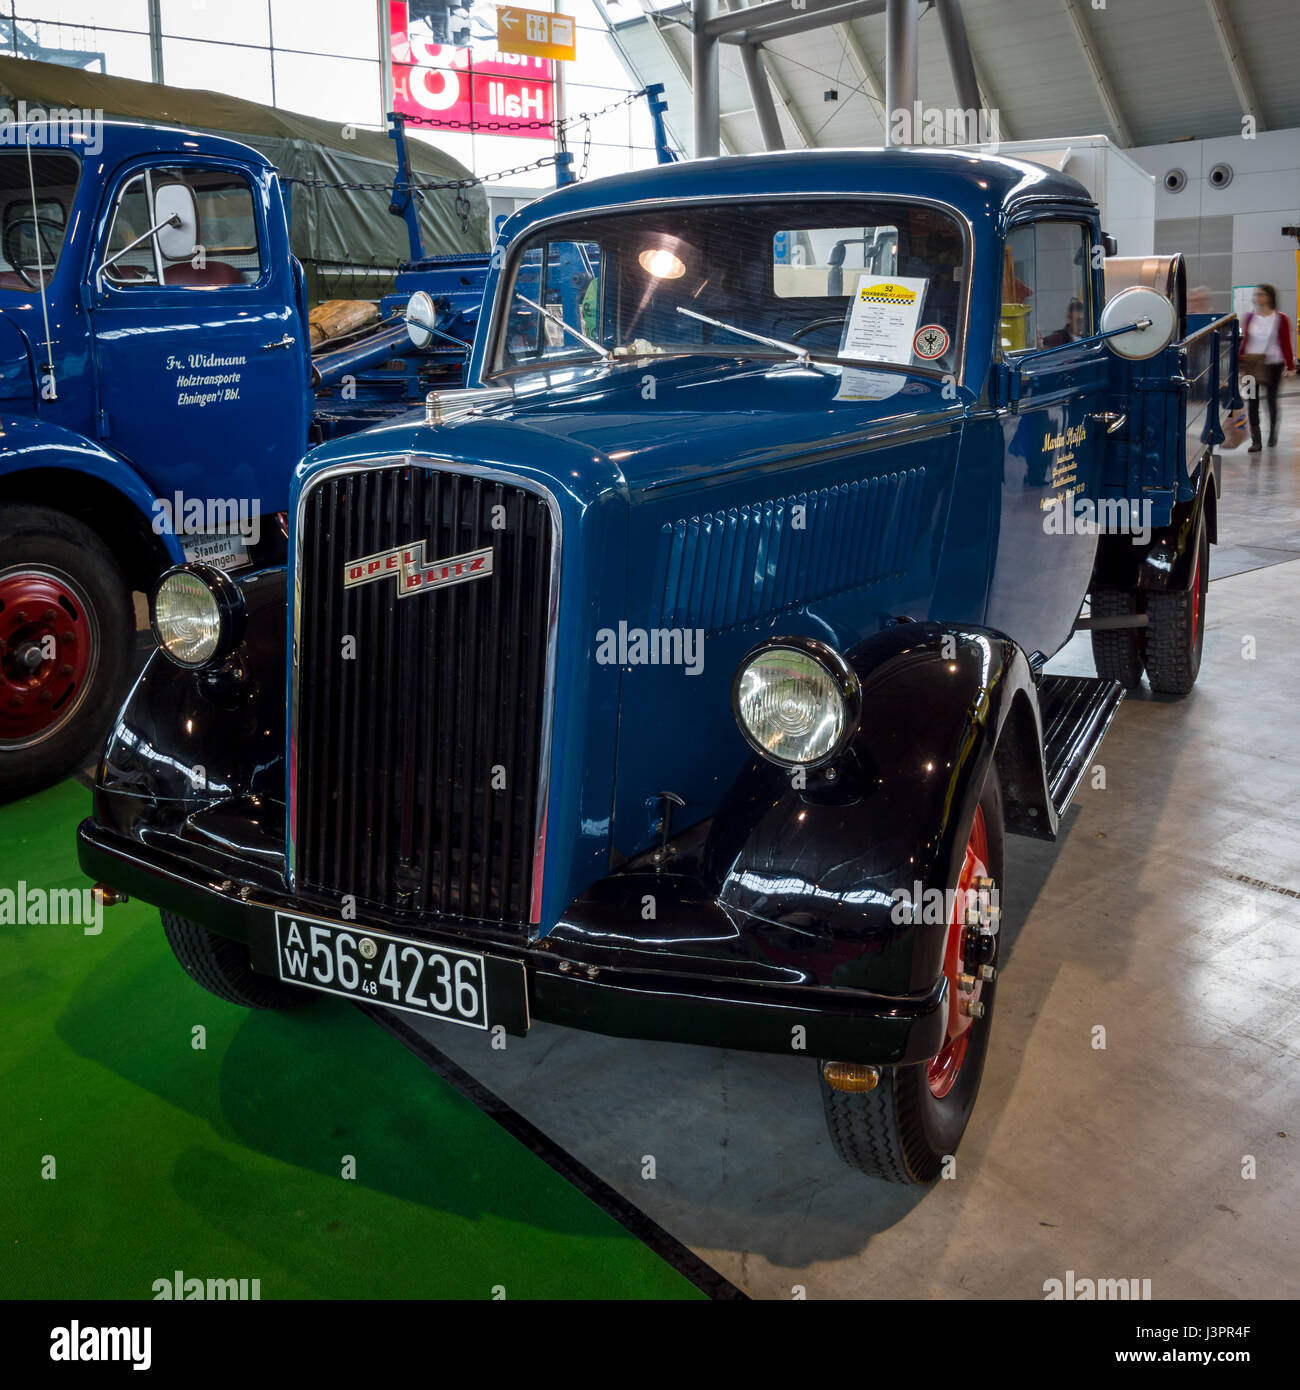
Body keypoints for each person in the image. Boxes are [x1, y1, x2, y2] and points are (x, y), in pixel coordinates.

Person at [1240, 283, 1295, 451]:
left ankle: (1272, 433)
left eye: (1261, 294)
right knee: (1252, 401)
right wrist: (1237, 362)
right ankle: (1256, 441)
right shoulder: (1249, 317)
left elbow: (1285, 342)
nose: (1258, 298)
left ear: (1270, 297)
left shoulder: (1280, 318)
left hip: (1273, 365)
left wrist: (1291, 366)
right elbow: (1244, 341)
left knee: (1271, 400)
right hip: (1251, 364)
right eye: (1256, 294)